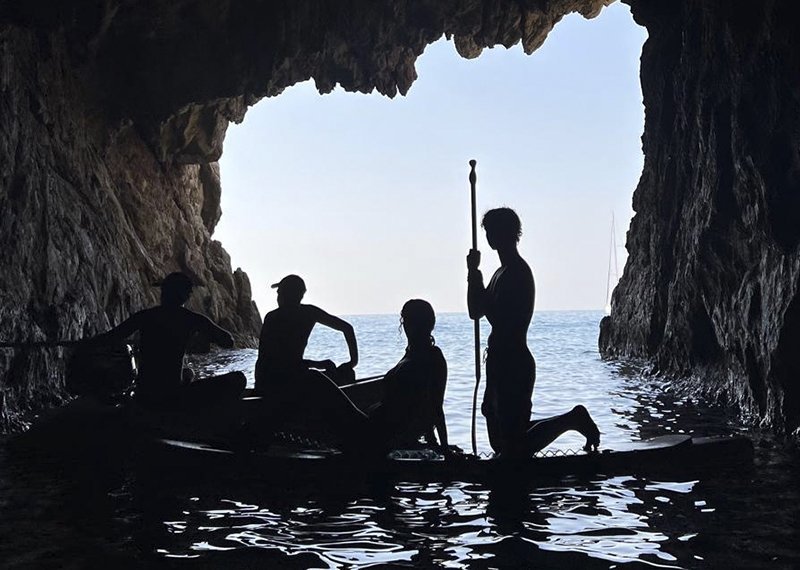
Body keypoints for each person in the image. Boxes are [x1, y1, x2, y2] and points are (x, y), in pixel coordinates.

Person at [467, 207, 599, 457]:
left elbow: (500, 318)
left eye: (493, 230)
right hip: (497, 361)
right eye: (488, 231)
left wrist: (478, 283)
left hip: (514, 363)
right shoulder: (498, 273)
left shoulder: (517, 272)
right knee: (501, 440)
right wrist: (473, 273)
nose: (489, 236)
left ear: (508, 233)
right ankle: (570, 419)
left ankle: (573, 420)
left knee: (512, 447)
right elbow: (475, 311)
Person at [87, 271, 245, 411]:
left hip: (144, 395)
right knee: (238, 379)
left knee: (188, 373)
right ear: (186, 295)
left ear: (165, 293)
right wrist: (205, 335)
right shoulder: (192, 319)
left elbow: (109, 337)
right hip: (172, 397)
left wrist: (76, 344)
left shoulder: (146, 316)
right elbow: (228, 341)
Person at [367, 299, 450, 452]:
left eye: (407, 321)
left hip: (385, 433)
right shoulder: (412, 354)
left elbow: (434, 405)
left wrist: (442, 446)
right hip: (381, 428)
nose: (405, 325)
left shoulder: (430, 356)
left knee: (317, 380)